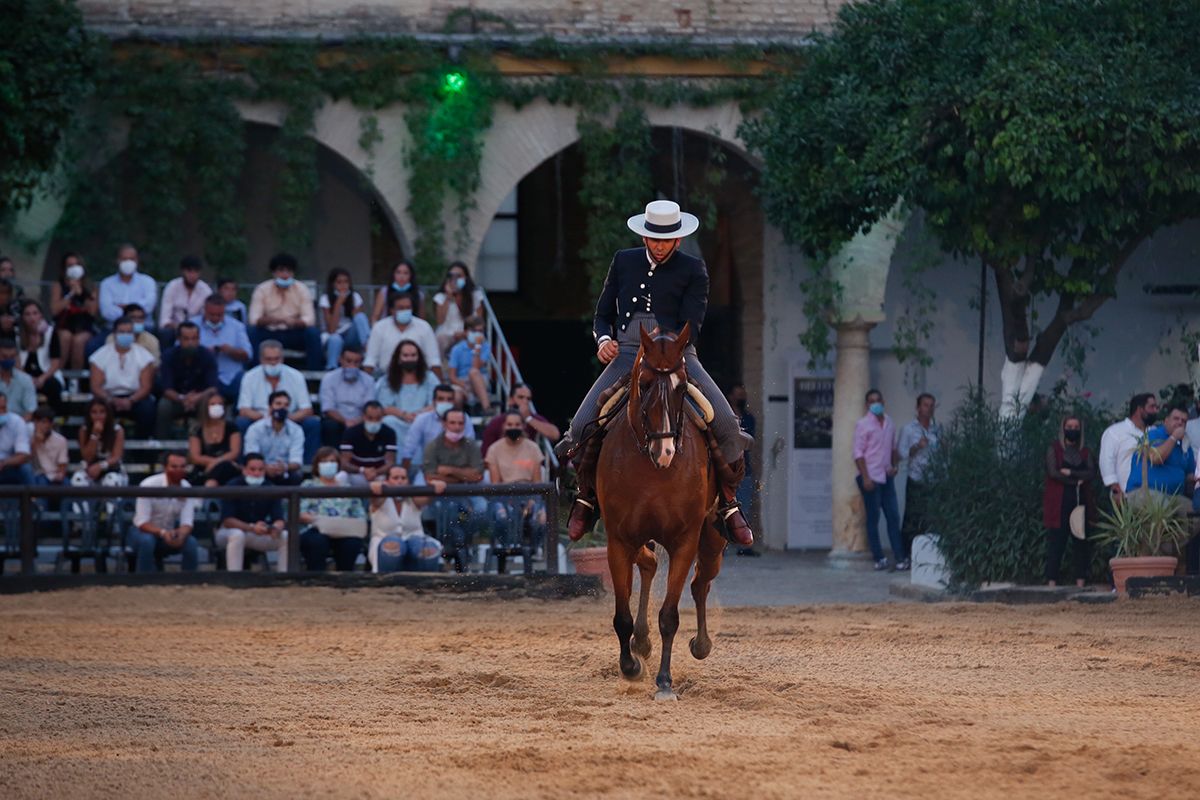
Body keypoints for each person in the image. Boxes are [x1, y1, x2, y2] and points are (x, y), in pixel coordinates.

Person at [555, 200, 754, 545]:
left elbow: (693, 322)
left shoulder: (694, 269)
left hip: (678, 353)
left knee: (723, 420)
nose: (659, 246)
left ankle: (730, 504)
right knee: (581, 425)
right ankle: (585, 499)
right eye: (653, 239)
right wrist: (603, 340)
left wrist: (668, 351)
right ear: (644, 237)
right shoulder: (623, 261)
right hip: (627, 352)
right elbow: (603, 314)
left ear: (677, 240)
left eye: (666, 240)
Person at [236, 340, 320, 462]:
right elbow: (244, 410)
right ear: (261, 359)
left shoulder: (296, 376)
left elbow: (307, 409)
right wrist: (268, 418)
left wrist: (284, 418)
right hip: (260, 420)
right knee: (241, 422)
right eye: (269, 359)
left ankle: (307, 467)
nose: (273, 363)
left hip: (290, 418)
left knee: (312, 423)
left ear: (282, 358)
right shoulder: (250, 377)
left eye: (277, 359)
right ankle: (246, 466)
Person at [854, 389, 905, 571]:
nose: (875, 404)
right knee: (873, 518)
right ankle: (879, 557)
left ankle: (900, 558)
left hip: (885, 477)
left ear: (883, 402)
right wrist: (866, 478)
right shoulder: (863, 424)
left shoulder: (889, 422)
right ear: (867, 405)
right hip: (871, 478)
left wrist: (893, 466)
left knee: (893, 517)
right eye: (871, 401)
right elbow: (858, 454)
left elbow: (892, 448)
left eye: (878, 400)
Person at [1043, 416, 1096, 588]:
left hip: (1080, 502)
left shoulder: (1085, 452)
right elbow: (1053, 472)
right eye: (1069, 426)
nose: (1072, 429)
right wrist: (1076, 480)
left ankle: (1080, 583)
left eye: (1076, 426)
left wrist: (1070, 472)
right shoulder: (1054, 449)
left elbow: (1090, 473)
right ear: (1063, 428)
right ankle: (1051, 583)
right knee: (1056, 543)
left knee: (1080, 543)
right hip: (1059, 503)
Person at [247, 252, 322, 371]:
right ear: (274, 273)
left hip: (294, 332)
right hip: (269, 332)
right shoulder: (262, 289)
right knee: (251, 331)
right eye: (281, 270)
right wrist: (273, 320)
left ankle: (314, 373)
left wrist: (293, 322)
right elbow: (253, 319)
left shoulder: (301, 289)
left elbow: (309, 319)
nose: (285, 275)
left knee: (312, 333)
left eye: (289, 271)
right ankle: (254, 371)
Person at [215, 452, 288, 572]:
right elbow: (227, 520)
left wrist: (274, 527)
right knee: (237, 534)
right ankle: (234, 577)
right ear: (244, 469)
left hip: (258, 532)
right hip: (228, 532)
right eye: (252, 469)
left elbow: (279, 518)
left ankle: (285, 576)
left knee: (285, 536)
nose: (257, 473)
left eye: (261, 469)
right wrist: (251, 527)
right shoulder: (232, 486)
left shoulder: (271, 488)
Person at [127, 452, 199, 572]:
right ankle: (143, 580)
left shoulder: (187, 488)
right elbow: (142, 522)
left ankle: (189, 581)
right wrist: (163, 533)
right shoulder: (148, 485)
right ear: (165, 468)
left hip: (169, 531)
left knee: (190, 542)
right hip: (141, 532)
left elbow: (187, 522)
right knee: (147, 541)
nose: (179, 470)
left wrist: (180, 534)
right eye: (174, 467)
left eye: (182, 467)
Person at [299, 447, 368, 571]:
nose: (328, 465)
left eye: (332, 461)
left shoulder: (347, 488)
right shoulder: (308, 486)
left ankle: (343, 579)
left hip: (343, 530)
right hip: (316, 529)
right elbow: (299, 513)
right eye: (324, 462)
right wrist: (320, 520)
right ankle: (316, 578)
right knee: (318, 541)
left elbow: (359, 514)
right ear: (317, 465)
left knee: (352, 542)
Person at [486, 410, 548, 546]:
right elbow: (495, 484)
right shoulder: (494, 449)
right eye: (509, 424)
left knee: (542, 518)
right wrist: (507, 501)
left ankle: (532, 550)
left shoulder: (533, 448)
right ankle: (505, 549)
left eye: (517, 424)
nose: (513, 427)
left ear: (522, 426)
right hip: (503, 496)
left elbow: (537, 482)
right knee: (501, 517)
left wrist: (532, 500)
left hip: (529, 494)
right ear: (504, 427)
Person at [88, 316, 156, 438]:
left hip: (135, 398)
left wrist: (131, 400)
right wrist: (111, 399)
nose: (126, 335)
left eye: (129, 332)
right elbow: (96, 386)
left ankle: (141, 448)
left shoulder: (144, 356)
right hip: (108, 397)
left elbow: (146, 387)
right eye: (122, 332)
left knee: (148, 408)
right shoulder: (100, 356)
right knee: (97, 408)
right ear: (114, 334)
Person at [368, 464, 444, 573]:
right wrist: (378, 487)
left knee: (427, 547)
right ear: (387, 481)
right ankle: (387, 583)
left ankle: (427, 585)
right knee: (394, 544)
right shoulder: (381, 498)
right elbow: (375, 499)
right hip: (385, 547)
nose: (400, 481)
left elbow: (426, 499)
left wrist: (433, 487)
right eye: (395, 478)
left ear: (408, 481)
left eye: (403, 478)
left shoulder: (413, 497)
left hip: (414, 542)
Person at [424, 407, 487, 533]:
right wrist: (465, 474)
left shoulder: (471, 444)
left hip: (468, 491)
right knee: (445, 510)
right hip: (442, 493)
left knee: (482, 508)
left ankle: (469, 542)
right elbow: (430, 478)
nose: (457, 427)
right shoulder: (433, 446)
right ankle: (450, 545)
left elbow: (478, 476)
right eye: (452, 423)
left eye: (460, 423)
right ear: (444, 424)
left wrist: (450, 470)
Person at [155, 321, 219, 438]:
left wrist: (196, 398)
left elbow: (212, 388)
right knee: (164, 406)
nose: (190, 343)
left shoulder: (207, 356)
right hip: (176, 399)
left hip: (201, 399)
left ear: (199, 339)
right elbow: (166, 389)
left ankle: (209, 445)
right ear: (179, 339)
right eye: (186, 339)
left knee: (213, 405)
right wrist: (183, 398)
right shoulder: (168, 356)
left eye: (194, 339)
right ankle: (162, 448)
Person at [897, 392, 940, 561]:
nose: (928, 409)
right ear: (917, 408)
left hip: (933, 480)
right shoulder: (909, 429)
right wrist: (916, 447)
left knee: (930, 517)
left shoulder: (937, 429)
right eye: (925, 405)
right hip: (916, 479)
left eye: (931, 406)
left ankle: (926, 555)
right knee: (912, 518)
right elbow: (900, 454)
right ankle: (907, 554)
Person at [400, 384, 476, 478]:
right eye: (441, 399)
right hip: (430, 471)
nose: (445, 402)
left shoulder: (464, 418)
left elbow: (470, 446)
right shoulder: (422, 420)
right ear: (434, 401)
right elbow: (408, 451)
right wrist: (404, 478)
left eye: (449, 399)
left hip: (459, 470)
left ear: (453, 401)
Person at [1126, 404, 1196, 502]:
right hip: (1144, 492)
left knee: (1194, 512)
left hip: (1173, 496)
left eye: (1183, 421)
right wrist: (1174, 437)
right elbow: (1156, 458)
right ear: (1166, 421)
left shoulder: (1185, 446)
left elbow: (1190, 476)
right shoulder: (1152, 435)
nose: (1180, 423)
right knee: (1163, 507)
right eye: (1176, 419)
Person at [364, 293, 441, 377]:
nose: (405, 311)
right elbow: (370, 360)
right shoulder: (379, 328)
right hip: (386, 376)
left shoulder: (424, 327)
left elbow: (433, 360)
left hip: (418, 376)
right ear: (392, 310)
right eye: (401, 308)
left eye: (408, 308)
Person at [1099, 393, 1158, 503]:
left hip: (1152, 498)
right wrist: (1115, 489)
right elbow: (1107, 461)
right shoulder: (1115, 432)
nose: (1155, 411)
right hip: (1124, 497)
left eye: (1156, 407)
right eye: (1152, 407)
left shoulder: (1155, 432)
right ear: (1139, 409)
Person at [376, 339, 437, 444]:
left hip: (423, 419)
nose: (410, 359)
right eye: (406, 355)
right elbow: (385, 407)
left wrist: (419, 415)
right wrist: (404, 415)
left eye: (413, 355)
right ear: (398, 358)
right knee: (388, 421)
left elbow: (436, 402)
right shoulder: (387, 380)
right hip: (399, 420)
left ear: (419, 358)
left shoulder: (430, 378)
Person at [195, 294, 252, 403]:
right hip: (201, 378)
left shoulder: (237, 326)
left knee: (244, 381)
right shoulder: (192, 324)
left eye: (219, 315)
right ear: (205, 310)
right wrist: (203, 353)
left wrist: (231, 351)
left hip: (231, 378)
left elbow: (248, 355)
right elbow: (180, 353)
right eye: (212, 315)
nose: (216, 318)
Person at [243, 390, 305, 486]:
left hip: (284, 471)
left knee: (296, 476)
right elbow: (251, 455)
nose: (282, 408)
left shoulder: (296, 430)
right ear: (270, 407)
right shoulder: (255, 429)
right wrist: (265, 467)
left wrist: (284, 467)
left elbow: (296, 461)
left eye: (286, 405)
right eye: (278, 404)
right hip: (260, 470)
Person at [49, 252, 99, 371]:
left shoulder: (90, 286)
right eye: (70, 265)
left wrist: (82, 293)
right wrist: (71, 294)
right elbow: (55, 310)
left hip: (84, 325)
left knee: (78, 341)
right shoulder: (58, 285)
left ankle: (75, 380)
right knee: (65, 337)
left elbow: (92, 312)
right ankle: (59, 375)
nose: (74, 268)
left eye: (77, 264)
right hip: (64, 323)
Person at [481, 383, 560, 457]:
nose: (525, 401)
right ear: (510, 400)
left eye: (528, 399)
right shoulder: (497, 422)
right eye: (521, 397)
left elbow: (555, 435)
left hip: (528, 463)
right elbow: (486, 454)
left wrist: (528, 418)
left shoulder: (533, 418)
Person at [317, 346, 373, 447]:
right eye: (348, 361)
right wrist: (345, 421)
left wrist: (356, 422)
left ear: (361, 363)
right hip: (337, 420)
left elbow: (369, 409)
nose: (352, 366)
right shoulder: (329, 378)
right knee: (330, 426)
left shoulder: (368, 381)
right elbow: (328, 408)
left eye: (356, 362)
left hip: (360, 420)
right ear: (341, 360)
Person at [727, 383, 759, 557]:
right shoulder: (722, 417)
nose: (741, 398)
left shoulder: (748, 418)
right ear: (730, 396)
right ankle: (720, 546)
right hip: (725, 469)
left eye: (743, 395)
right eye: (738, 395)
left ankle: (744, 546)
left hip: (744, 470)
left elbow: (748, 440)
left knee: (744, 507)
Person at [319, 267, 372, 369]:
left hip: (350, 336)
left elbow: (357, 322)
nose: (343, 286)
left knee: (360, 317)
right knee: (335, 339)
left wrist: (348, 303)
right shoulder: (325, 299)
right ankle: (332, 368)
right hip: (334, 336)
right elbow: (332, 330)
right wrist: (339, 303)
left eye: (346, 282)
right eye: (339, 282)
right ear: (333, 284)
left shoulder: (355, 297)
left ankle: (369, 353)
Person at [17, 300, 64, 413]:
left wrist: (42, 378)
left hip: (46, 375)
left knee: (53, 386)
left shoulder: (51, 333)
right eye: (27, 314)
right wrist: (28, 379)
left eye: (35, 313)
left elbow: (55, 363)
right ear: (22, 317)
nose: (31, 317)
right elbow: (17, 363)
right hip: (24, 375)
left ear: (40, 315)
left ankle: (54, 419)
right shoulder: (17, 335)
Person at [188, 392, 242, 486]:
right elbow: (195, 457)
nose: (217, 407)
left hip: (227, 468)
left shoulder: (232, 427)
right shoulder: (197, 430)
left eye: (220, 404)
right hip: (204, 469)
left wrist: (216, 463)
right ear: (205, 407)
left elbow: (234, 452)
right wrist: (213, 463)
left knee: (224, 467)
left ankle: (210, 486)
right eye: (212, 404)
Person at [98, 243, 158, 329]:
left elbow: (148, 307)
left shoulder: (148, 281)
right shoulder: (107, 283)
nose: (128, 262)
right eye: (124, 259)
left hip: (143, 328)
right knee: (94, 343)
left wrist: (124, 308)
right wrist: (135, 310)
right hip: (113, 329)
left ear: (137, 261)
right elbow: (107, 312)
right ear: (118, 260)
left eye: (131, 259)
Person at [158, 255, 212, 347]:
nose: (192, 275)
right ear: (183, 271)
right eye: (189, 271)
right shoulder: (172, 287)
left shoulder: (206, 290)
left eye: (196, 272)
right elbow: (164, 319)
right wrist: (180, 328)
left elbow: (206, 318)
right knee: (165, 333)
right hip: (175, 329)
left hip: (198, 330)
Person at [339, 401, 397, 486]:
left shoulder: (389, 433)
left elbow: (390, 462)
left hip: (379, 476)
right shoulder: (350, 433)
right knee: (341, 476)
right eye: (370, 418)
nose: (374, 421)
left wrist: (375, 472)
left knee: (394, 477)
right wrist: (362, 470)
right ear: (363, 417)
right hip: (357, 474)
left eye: (378, 418)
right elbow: (344, 463)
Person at [432, 261, 484, 357]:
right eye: (452, 276)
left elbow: (479, 321)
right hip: (447, 335)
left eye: (458, 276)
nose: (455, 279)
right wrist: (448, 297)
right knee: (439, 339)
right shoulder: (441, 297)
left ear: (466, 278)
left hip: (469, 333)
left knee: (477, 338)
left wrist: (465, 333)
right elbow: (440, 321)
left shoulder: (475, 295)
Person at [446, 315, 492, 414]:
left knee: (473, 372)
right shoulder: (457, 349)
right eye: (475, 331)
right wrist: (462, 384)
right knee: (457, 396)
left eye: (481, 331)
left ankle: (487, 409)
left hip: (480, 380)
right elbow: (452, 376)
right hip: (461, 381)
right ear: (467, 332)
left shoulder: (485, 346)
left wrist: (478, 347)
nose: (479, 334)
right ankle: (457, 419)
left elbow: (476, 367)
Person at [76, 398, 126, 485]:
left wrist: (100, 466)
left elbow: (116, 457)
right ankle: (83, 499)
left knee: (111, 480)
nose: (98, 415)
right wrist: (95, 434)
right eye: (94, 412)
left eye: (102, 412)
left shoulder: (117, 430)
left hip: (111, 468)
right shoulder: (84, 430)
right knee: (78, 479)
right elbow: (87, 457)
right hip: (90, 467)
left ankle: (110, 499)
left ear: (108, 413)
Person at [0, 393, 34, 485]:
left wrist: (3, 463)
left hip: (8, 466)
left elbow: (23, 455)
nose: (2, 412)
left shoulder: (17, 421)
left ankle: (33, 499)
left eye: (3, 408)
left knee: (26, 469)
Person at [0, 338, 37, 421]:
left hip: (20, 423)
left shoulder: (26, 380)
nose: (8, 359)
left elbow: (30, 411)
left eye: (12, 356)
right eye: (4, 357)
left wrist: (17, 426)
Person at [30, 406, 68, 486]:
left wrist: (60, 475)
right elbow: (27, 459)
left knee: (67, 484)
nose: (45, 426)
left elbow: (62, 464)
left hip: (55, 475)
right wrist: (36, 441)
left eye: (47, 422)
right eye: (41, 422)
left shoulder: (61, 440)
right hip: (37, 475)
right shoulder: (28, 437)